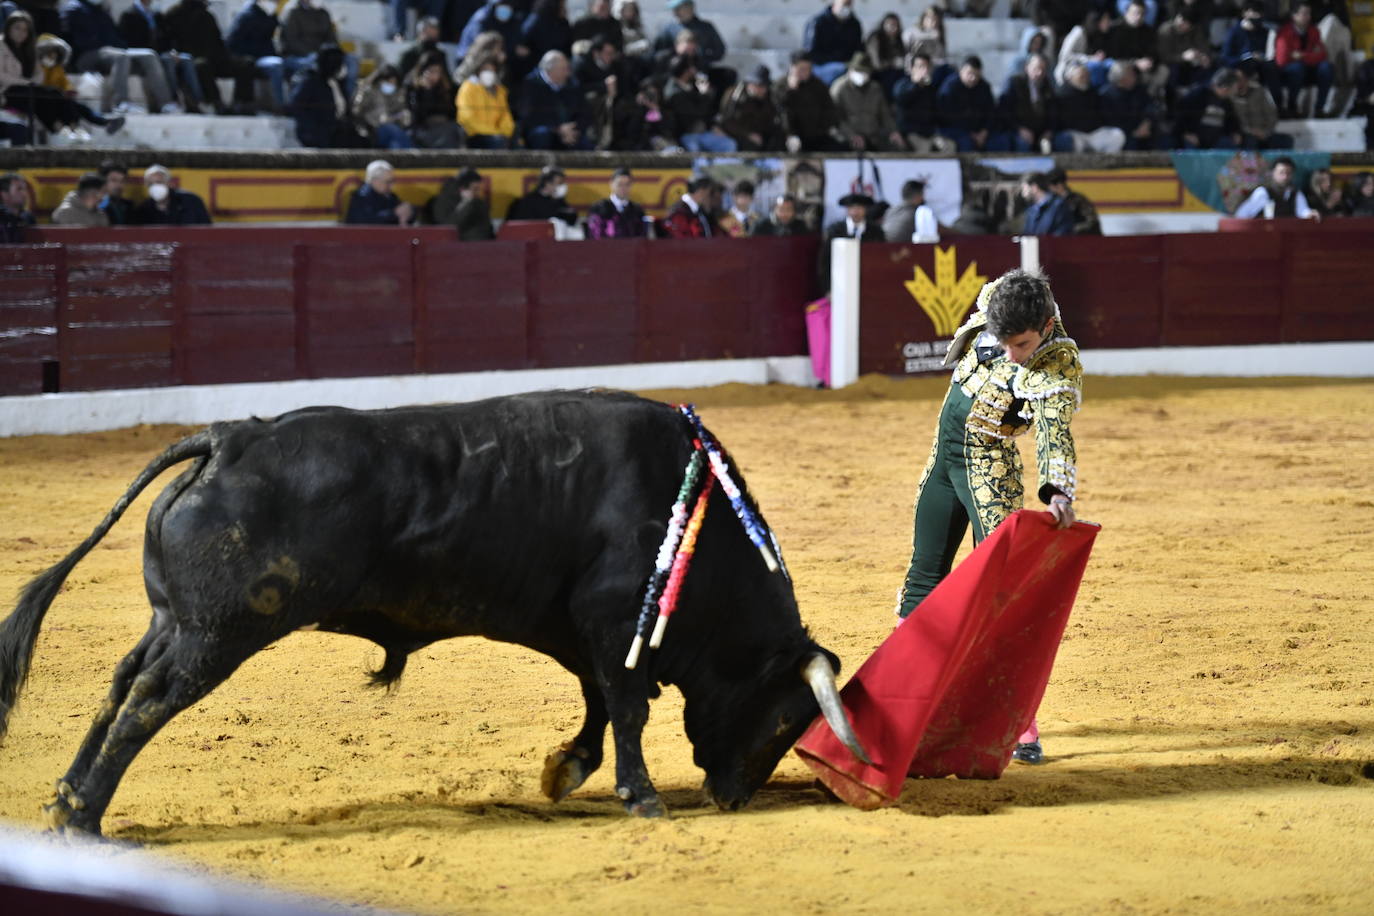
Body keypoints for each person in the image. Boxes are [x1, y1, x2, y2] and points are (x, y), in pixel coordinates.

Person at [893, 268, 1083, 766]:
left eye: (1020, 345)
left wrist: (1058, 488)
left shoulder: (1056, 362)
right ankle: (903, 695)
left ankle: (1018, 720)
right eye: (1004, 343)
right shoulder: (1000, 301)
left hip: (988, 465)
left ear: (1043, 326)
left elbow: (1053, 427)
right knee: (923, 573)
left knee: (1000, 591)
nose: (1012, 355)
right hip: (943, 454)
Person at [2, 16, 124, 140]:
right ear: (8, 29)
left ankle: (74, 129)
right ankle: (60, 130)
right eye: (17, 28)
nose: (21, 33)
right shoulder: (3, 46)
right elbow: (4, 76)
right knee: (45, 98)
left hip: (31, 90)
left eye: (25, 30)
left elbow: (41, 77)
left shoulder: (29, 51)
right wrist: (27, 82)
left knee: (58, 96)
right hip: (8, 93)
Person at [58, 0, 176, 113]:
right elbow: (75, 40)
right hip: (85, 56)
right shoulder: (73, 9)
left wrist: (120, 46)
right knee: (121, 56)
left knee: (149, 55)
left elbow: (115, 36)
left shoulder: (101, 11)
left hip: (110, 53)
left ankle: (166, 104)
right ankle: (121, 103)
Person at [160, 0, 259, 114]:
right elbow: (168, 40)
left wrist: (226, 56)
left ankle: (242, 103)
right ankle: (216, 102)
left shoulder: (207, 15)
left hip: (216, 58)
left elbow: (218, 41)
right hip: (193, 58)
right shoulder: (174, 14)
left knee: (246, 63)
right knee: (202, 65)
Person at [288, 44, 369, 148]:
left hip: (337, 131)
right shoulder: (311, 83)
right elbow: (298, 108)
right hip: (318, 134)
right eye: (341, 63)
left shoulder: (338, 83)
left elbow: (345, 112)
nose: (344, 67)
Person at [830, 51, 904, 151]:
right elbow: (836, 120)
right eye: (858, 70)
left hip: (874, 138)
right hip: (847, 139)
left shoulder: (875, 88)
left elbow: (885, 115)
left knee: (897, 147)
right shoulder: (839, 88)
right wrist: (851, 135)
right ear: (850, 70)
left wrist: (893, 131)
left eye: (865, 71)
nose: (862, 74)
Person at [662, 53, 734, 152]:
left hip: (703, 132)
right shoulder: (674, 93)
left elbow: (708, 113)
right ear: (685, 71)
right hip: (685, 135)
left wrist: (713, 126)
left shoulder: (693, 86)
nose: (694, 70)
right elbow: (696, 113)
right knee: (695, 152)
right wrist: (704, 95)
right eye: (691, 67)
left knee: (729, 144)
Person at [519, 49, 590, 149]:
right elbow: (529, 116)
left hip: (568, 130)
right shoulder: (531, 84)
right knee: (542, 136)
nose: (567, 73)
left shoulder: (572, 85)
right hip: (543, 129)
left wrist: (573, 128)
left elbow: (584, 112)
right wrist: (557, 128)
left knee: (585, 143)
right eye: (563, 69)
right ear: (550, 70)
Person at [776, 52, 845, 152]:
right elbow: (779, 109)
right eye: (801, 68)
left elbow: (829, 110)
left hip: (816, 135)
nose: (805, 72)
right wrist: (790, 90)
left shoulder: (818, 85)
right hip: (790, 135)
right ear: (792, 67)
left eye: (808, 69)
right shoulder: (780, 85)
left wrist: (823, 129)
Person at [1274, 1, 1333, 117]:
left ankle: (1319, 109)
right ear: (1294, 16)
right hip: (1289, 71)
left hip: (1308, 68)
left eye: (1309, 13)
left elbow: (1322, 55)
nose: (1308, 17)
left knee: (1326, 67)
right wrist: (1311, 55)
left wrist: (1301, 55)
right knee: (1297, 68)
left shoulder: (1313, 31)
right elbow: (1282, 60)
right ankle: (1292, 107)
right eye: (1304, 13)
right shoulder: (1284, 33)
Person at [936, 56, 1006, 152]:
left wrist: (984, 131)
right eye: (969, 74)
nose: (973, 78)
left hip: (980, 131)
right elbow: (947, 116)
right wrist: (971, 134)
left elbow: (991, 112)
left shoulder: (984, 87)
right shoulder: (950, 87)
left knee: (999, 141)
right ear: (961, 71)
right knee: (966, 143)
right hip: (955, 129)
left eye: (976, 75)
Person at [1054, 63, 1127, 152]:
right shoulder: (1062, 94)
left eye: (1087, 75)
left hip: (1094, 134)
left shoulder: (1093, 92)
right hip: (1075, 134)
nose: (1085, 78)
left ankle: (1105, 162)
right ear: (1070, 77)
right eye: (1081, 76)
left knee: (1118, 135)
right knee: (1066, 140)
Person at [892, 53, 953, 153]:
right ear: (912, 69)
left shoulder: (931, 89)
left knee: (949, 146)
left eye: (926, 67)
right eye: (920, 66)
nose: (924, 70)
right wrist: (916, 84)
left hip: (930, 133)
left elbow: (937, 113)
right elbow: (901, 100)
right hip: (911, 133)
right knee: (925, 149)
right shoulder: (902, 85)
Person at [999, 51, 1056, 154]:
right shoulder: (1014, 83)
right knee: (1023, 143)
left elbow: (1053, 112)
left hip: (1040, 132)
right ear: (1027, 67)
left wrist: (1049, 131)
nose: (1039, 73)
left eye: (1043, 69)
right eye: (1036, 68)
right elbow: (1004, 111)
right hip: (1017, 130)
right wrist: (1019, 129)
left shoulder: (1048, 86)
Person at [718, 64, 783, 151]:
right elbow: (727, 121)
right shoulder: (735, 96)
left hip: (760, 135)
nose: (761, 90)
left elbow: (772, 120)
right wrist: (748, 134)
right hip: (737, 135)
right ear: (750, 84)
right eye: (758, 86)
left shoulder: (769, 98)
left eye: (764, 86)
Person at [1099, 60, 1161, 150]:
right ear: (1121, 78)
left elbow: (1150, 106)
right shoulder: (1106, 94)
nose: (1135, 77)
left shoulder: (1139, 90)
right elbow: (1109, 120)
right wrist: (1133, 132)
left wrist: (1147, 123)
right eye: (1131, 75)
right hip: (1123, 133)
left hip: (1143, 128)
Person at [1176, 67, 1243, 148]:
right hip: (1195, 139)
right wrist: (1186, 133)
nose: (1235, 91)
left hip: (1216, 141)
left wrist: (1235, 132)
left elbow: (1232, 120)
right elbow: (1183, 116)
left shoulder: (1226, 102)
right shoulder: (1199, 95)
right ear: (1225, 88)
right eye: (1234, 88)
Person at [456, 54, 514, 148]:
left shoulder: (500, 91)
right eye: (485, 69)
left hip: (497, 134)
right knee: (497, 142)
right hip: (475, 134)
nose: (488, 73)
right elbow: (466, 118)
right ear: (478, 70)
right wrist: (493, 132)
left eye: (491, 70)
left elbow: (506, 116)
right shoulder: (468, 88)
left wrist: (505, 132)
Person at [407, 52, 462, 147]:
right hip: (424, 129)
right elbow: (416, 116)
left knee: (455, 130)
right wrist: (427, 91)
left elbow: (451, 112)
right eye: (431, 71)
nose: (435, 75)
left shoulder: (446, 89)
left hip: (445, 127)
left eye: (438, 72)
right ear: (423, 72)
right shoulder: (414, 89)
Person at [1232, 66, 1293, 149]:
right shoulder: (1230, 97)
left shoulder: (1259, 92)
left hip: (1264, 133)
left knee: (1286, 140)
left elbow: (1272, 114)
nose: (1239, 82)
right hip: (1245, 134)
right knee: (1251, 141)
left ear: (1246, 79)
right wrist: (1251, 132)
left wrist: (1266, 132)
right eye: (1236, 79)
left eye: (1241, 78)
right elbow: (1233, 122)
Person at [1234, 155, 1315, 218]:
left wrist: (1310, 214)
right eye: (1281, 173)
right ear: (1273, 173)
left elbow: (1303, 211)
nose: (1285, 177)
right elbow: (1242, 214)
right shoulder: (1263, 192)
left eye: (1288, 173)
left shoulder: (1296, 193)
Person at [804, 0, 863, 86]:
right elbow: (810, 51)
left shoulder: (854, 24)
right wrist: (834, 60)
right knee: (839, 71)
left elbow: (858, 48)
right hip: (821, 65)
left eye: (849, 4)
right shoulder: (817, 22)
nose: (847, 7)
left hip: (846, 64)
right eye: (845, 4)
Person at [354, 64, 413, 149]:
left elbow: (401, 113)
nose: (391, 85)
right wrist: (364, 88)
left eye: (394, 83)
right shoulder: (370, 92)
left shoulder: (397, 95)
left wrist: (403, 117)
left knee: (395, 145)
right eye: (389, 81)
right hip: (373, 131)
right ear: (381, 80)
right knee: (391, 130)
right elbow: (356, 110)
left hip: (393, 132)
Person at [652, 0, 724, 68]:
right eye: (674, 9)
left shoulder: (706, 27)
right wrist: (675, 55)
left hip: (701, 70)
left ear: (690, 8)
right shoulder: (669, 29)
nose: (675, 12)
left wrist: (701, 59)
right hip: (675, 71)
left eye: (678, 8)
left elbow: (719, 50)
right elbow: (657, 52)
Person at [133, 164, 211, 225]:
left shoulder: (192, 202)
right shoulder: (143, 210)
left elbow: (206, 228)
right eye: (151, 184)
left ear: (170, 183)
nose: (155, 187)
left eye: (159, 182)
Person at [344, 160, 415, 225]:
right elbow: (366, 221)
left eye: (392, 181)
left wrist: (408, 212)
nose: (391, 186)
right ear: (375, 181)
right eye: (388, 182)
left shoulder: (390, 196)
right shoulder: (360, 197)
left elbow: (401, 214)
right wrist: (394, 213)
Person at [431, 167, 494, 240]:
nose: (478, 192)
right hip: (457, 246)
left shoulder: (479, 202)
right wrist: (465, 204)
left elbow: (488, 229)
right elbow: (448, 229)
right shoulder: (444, 201)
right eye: (475, 189)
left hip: (482, 246)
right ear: (463, 189)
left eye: (478, 189)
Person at [585, 167, 648, 238]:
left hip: (632, 248)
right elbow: (595, 235)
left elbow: (642, 237)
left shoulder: (637, 210)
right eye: (620, 184)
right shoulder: (599, 208)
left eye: (627, 184)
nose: (623, 188)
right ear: (611, 184)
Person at [506, 165, 578, 224]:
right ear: (547, 183)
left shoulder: (558, 201)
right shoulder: (528, 202)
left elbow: (571, 218)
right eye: (559, 183)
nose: (561, 186)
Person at [1046, 167, 1101, 235]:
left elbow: (1092, 221)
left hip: (1079, 241)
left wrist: (1071, 229)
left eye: (1050, 186)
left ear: (1059, 185)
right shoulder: (1051, 202)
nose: (1049, 190)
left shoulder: (1078, 200)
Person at [882, 179, 937, 243]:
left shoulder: (890, 211)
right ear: (918, 196)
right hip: (898, 249)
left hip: (881, 246)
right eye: (922, 195)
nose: (923, 198)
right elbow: (936, 230)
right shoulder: (919, 213)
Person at [0, 171, 34, 242]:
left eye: (25, 189)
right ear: (4, 194)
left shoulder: (28, 217)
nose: (25, 193)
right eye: (19, 189)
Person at [98, 160, 134, 225]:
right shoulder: (96, 205)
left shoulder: (129, 205)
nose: (119, 185)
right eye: (114, 180)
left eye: (122, 181)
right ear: (103, 181)